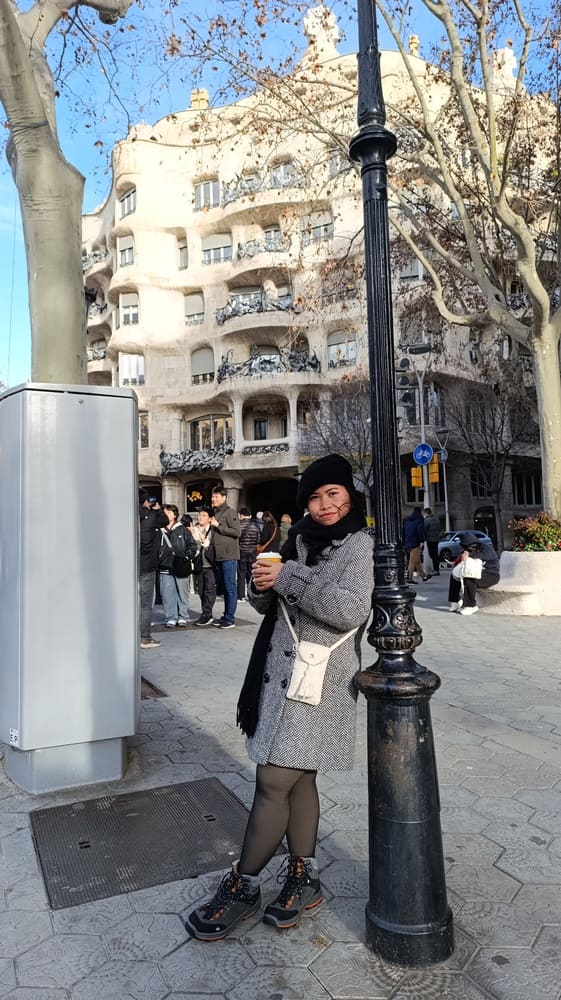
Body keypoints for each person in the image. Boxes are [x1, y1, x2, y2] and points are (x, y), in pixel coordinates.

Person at [185, 454, 374, 941]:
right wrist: (262, 584)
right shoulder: (299, 541)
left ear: (349, 494)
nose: (324, 504)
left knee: (272, 780)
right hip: (281, 675)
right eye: (314, 496)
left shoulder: (361, 546)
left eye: (332, 493)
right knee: (298, 778)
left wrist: (287, 577)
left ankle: (242, 883)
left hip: (321, 681)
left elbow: (349, 610)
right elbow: (271, 604)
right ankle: (303, 875)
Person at [158, 505, 197, 627]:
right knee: (167, 592)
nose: (167, 515)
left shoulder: (183, 530)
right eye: (165, 512)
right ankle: (170, 616)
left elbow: (192, 546)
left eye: (169, 512)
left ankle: (182, 616)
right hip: (164, 565)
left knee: (182, 591)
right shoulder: (159, 530)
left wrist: (186, 557)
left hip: (181, 565)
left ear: (175, 515)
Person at [138, 489, 167, 649]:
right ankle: (145, 636)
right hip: (147, 564)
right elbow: (164, 520)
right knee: (145, 603)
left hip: (129, 563)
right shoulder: (151, 516)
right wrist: (156, 508)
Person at [210, 486, 241, 629]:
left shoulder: (230, 512)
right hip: (219, 555)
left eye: (216, 497)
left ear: (224, 497)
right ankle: (226, 615)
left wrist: (218, 525)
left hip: (229, 555)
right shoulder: (216, 512)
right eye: (213, 496)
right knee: (224, 587)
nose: (213, 499)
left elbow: (237, 532)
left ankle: (230, 618)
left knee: (230, 587)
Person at [448, 531, 500, 615]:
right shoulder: (467, 550)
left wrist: (470, 554)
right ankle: (455, 601)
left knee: (469, 578)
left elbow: (484, 556)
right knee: (454, 574)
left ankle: (471, 605)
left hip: (490, 575)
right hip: (476, 571)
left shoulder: (486, 548)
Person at [190, 507, 217, 626]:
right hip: (199, 564)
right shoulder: (195, 529)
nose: (200, 517)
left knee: (209, 590)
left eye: (204, 515)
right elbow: (194, 547)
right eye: (200, 515)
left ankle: (207, 614)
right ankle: (205, 613)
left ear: (210, 519)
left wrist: (203, 540)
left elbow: (211, 546)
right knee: (200, 590)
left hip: (210, 564)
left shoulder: (213, 531)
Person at [238, 507, 261, 602]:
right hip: (252, 552)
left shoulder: (239, 526)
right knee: (252, 574)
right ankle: (252, 594)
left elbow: (237, 538)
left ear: (241, 515)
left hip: (242, 551)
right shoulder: (255, 526)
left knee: (241, 574)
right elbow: (258, 540)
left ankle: (241, 595)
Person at [403, 506, 430, 583]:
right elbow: (420, 532)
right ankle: (409, 579)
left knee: (416, 561)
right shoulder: (419, 520)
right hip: (415, 544)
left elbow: (403, 532)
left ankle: (424, 576)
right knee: (412, 562)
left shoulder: (407, 521)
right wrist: (421, 541)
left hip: (407, 543)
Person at [423, 507, 441, 576]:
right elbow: (439, 528)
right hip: (436, 539)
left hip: (430, 539)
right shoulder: (436, 519)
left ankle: (436, 569)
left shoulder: (426, 520)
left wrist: (424, 538)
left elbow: (424, 529)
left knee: (432, 554)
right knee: (435, 554)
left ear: (426, 513)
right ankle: (436, 568)